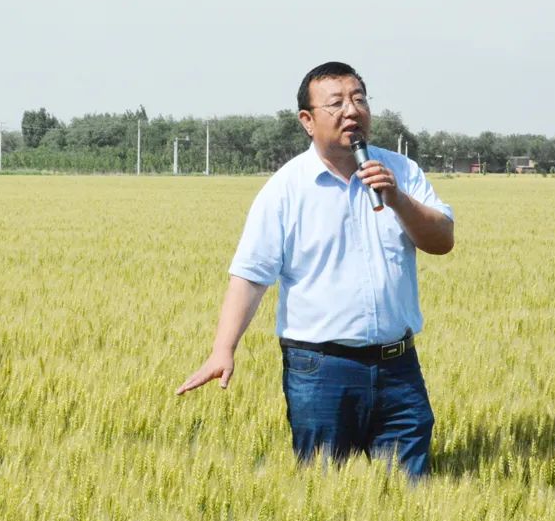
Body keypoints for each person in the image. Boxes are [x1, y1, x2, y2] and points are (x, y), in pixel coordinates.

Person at [176, 62, 454, 477]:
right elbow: (252, 275)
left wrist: (397, 198)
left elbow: (441, 240)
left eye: (359, 99)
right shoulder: (286, 189)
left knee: (409, 496)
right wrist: (223, 348)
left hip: (399, 367)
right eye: (336, 103)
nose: (352, 111)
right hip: (321, 371)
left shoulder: (401, 172)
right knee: (323, 494)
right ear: (307, 120)